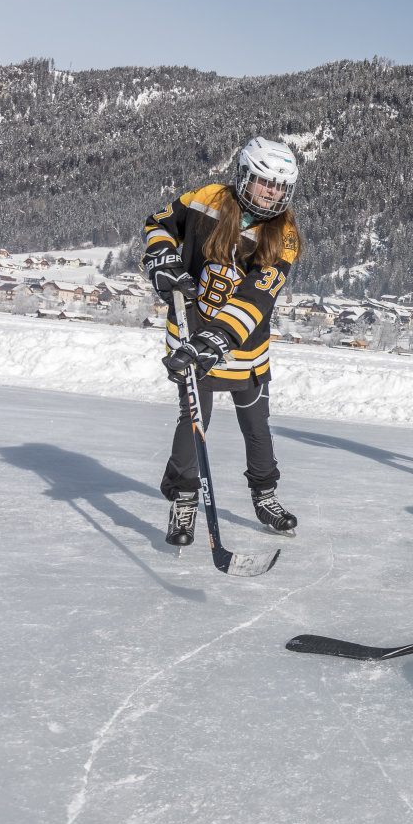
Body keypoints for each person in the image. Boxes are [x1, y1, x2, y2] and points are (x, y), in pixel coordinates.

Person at [141, 136, 302, 547]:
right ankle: (184, 500)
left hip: (244, 349)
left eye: (280, 187)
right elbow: (159, 224)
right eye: (265, 182)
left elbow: (257, 297)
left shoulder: (284, 236)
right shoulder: (207, 198)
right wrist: (162, 258)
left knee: (257, 426)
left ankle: (264, 495)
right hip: (192, 334)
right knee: (194, 423)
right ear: (244, 175)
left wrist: (219, 338)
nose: (272, 193)